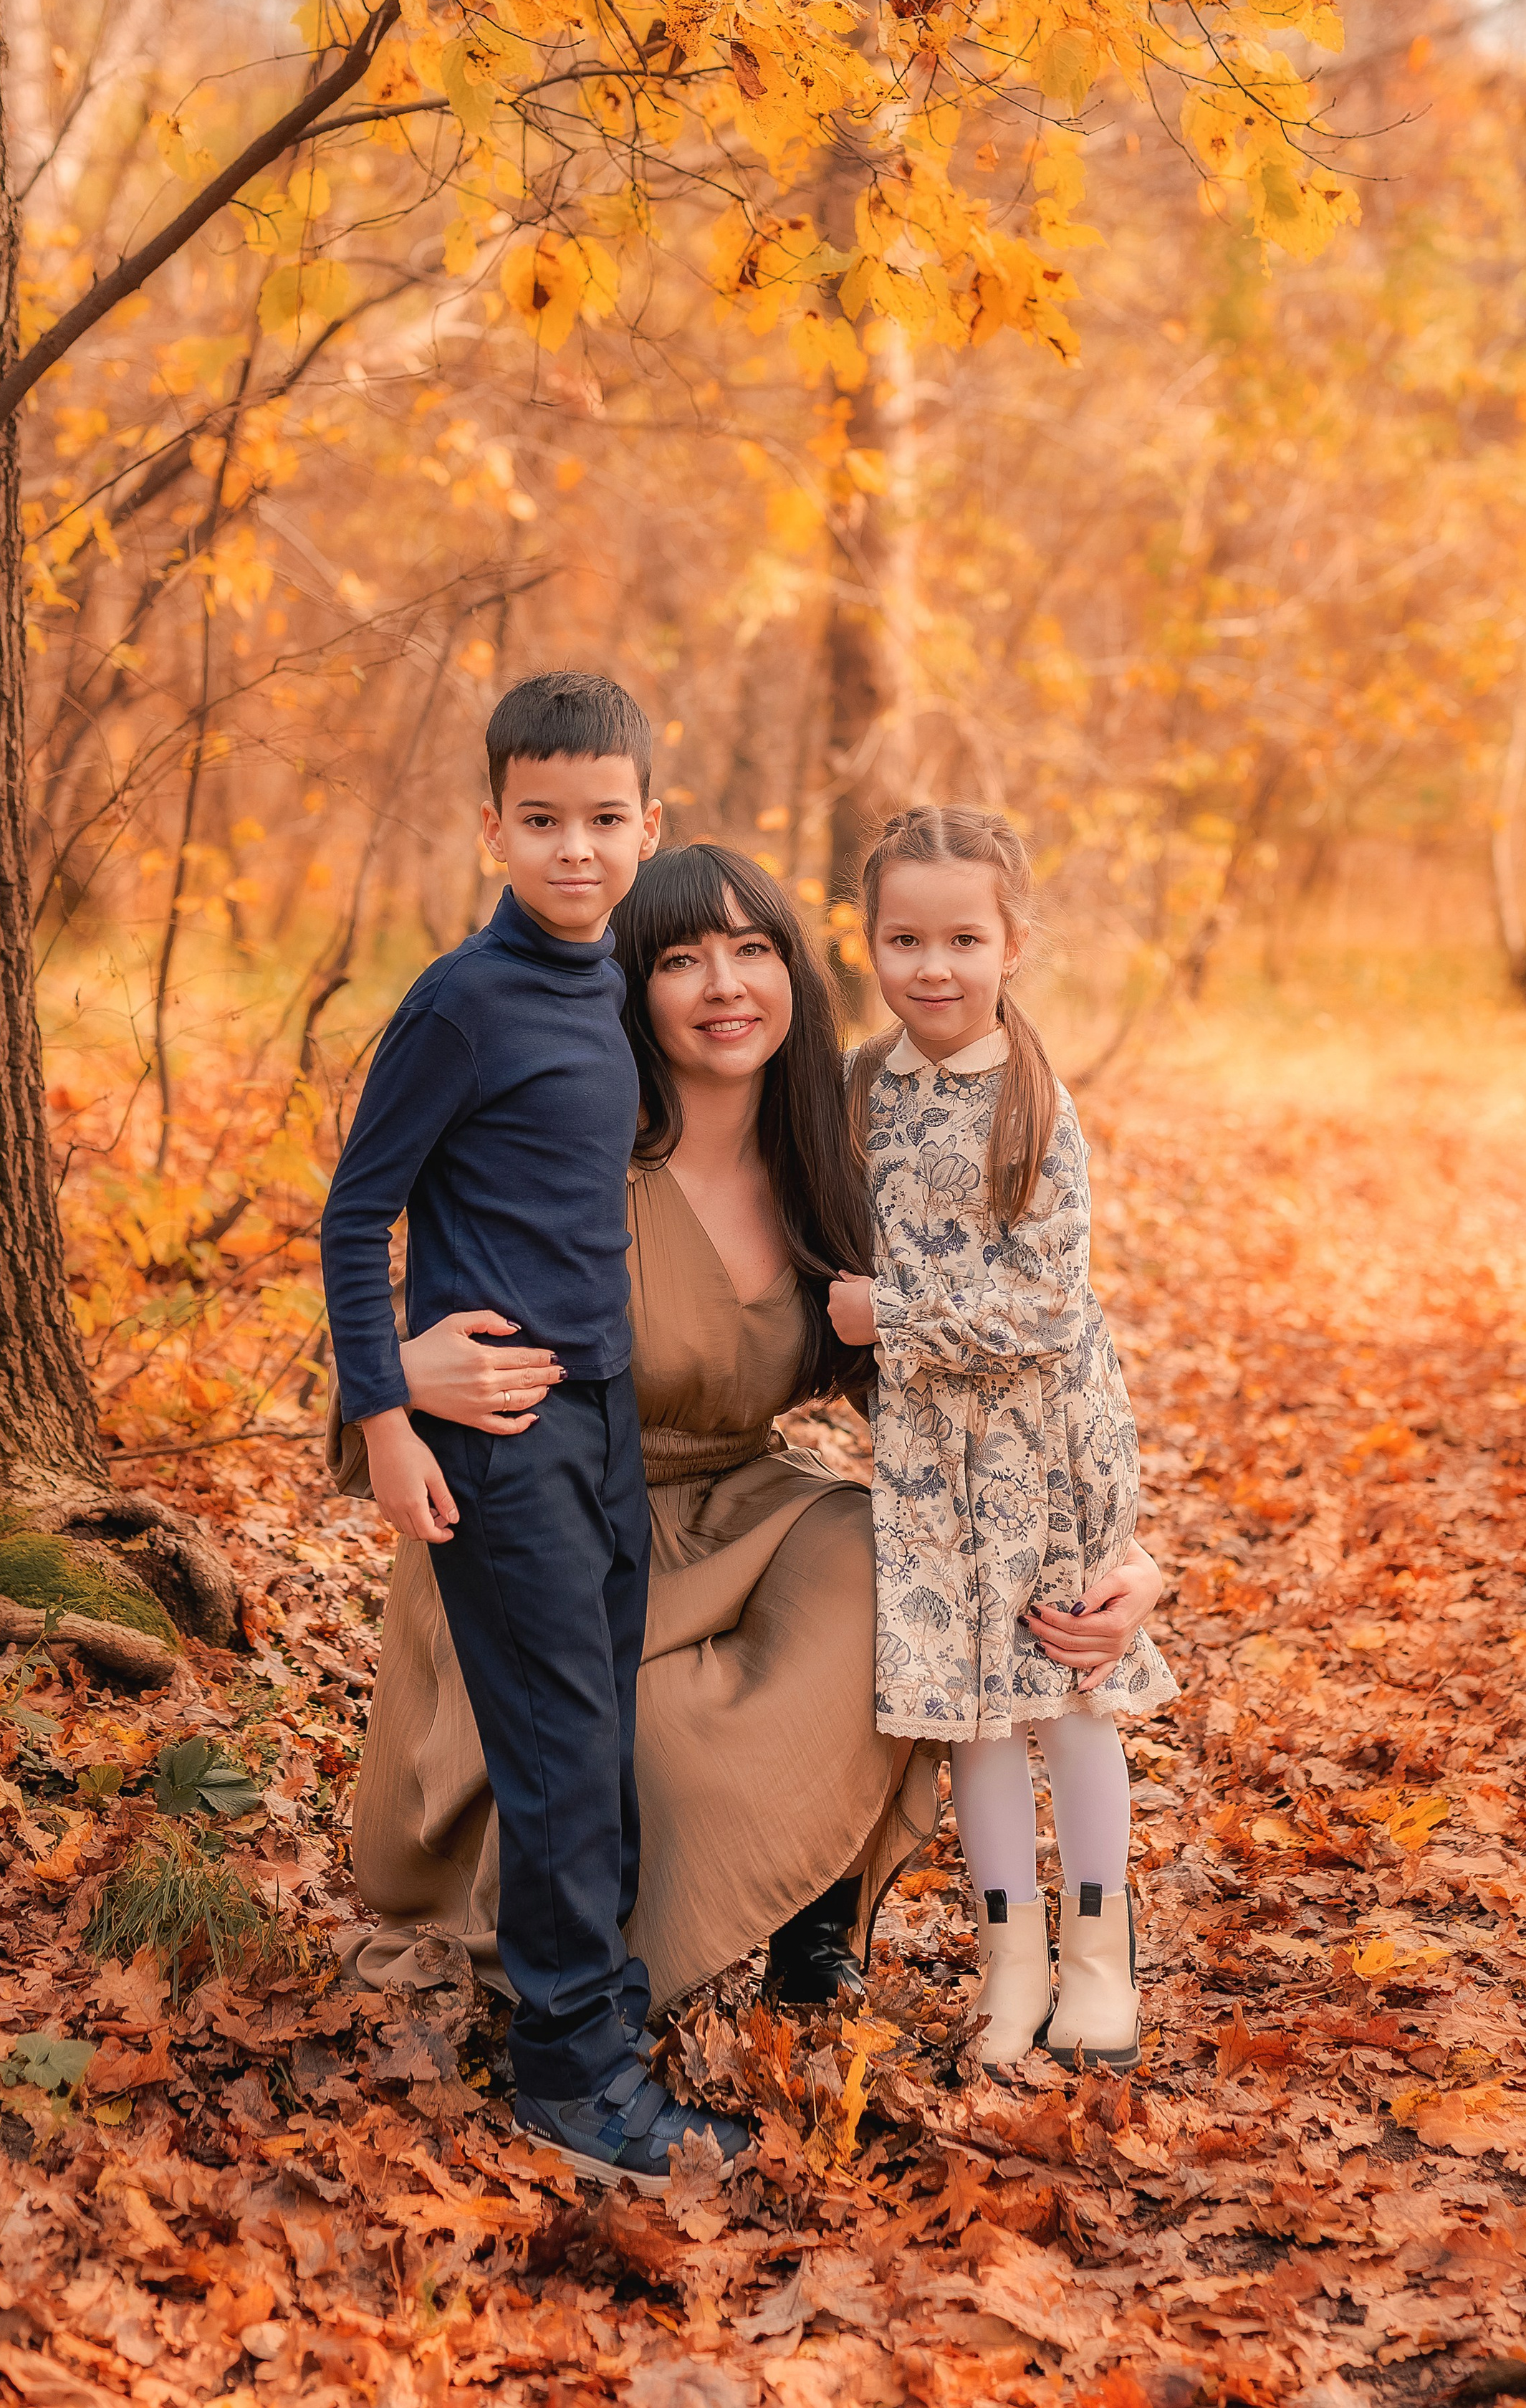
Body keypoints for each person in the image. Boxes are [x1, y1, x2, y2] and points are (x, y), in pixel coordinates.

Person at [335, 844, 940, 2036]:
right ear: (630, 986)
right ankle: (593, 1991)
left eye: (752, 950)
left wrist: (1096, 1538)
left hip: (741, 1499)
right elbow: (374, 1315)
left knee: (899, 1557)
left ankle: (819, 1935)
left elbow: (980, 1360)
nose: (724, 985)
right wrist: (401, 1371)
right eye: (681, 958)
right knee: (651, 1754)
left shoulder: (832, 1157)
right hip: (555, 1514)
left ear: (793, 975)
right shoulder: (577, 1158)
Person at [318, 672, 749, 2194]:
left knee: (593, 1738)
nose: (576, 850)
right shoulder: (460, 1000)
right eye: (543, 821)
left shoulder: (608, 982)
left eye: (605, 820)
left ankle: (588, 2018)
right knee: (561, 1749)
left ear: (648, 822)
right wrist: (387, 1409)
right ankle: (571, 2085)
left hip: (603, 1420)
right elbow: (356, 1209)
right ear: (490, 823)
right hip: (499, 1438)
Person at [827, 806, 1176, 2073]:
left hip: (1045, 1446)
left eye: (963, 938)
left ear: (1012, 942)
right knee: (970, 1715)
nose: (933, 966)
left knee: (1066, 1694)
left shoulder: (1036, 1105)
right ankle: (1008, 1966)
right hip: (924, 1457)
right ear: (868, 941)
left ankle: (1099, 1965)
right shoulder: (862, 1087)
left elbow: (1042, 1306)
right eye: (905, 937)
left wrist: (892, 1317)